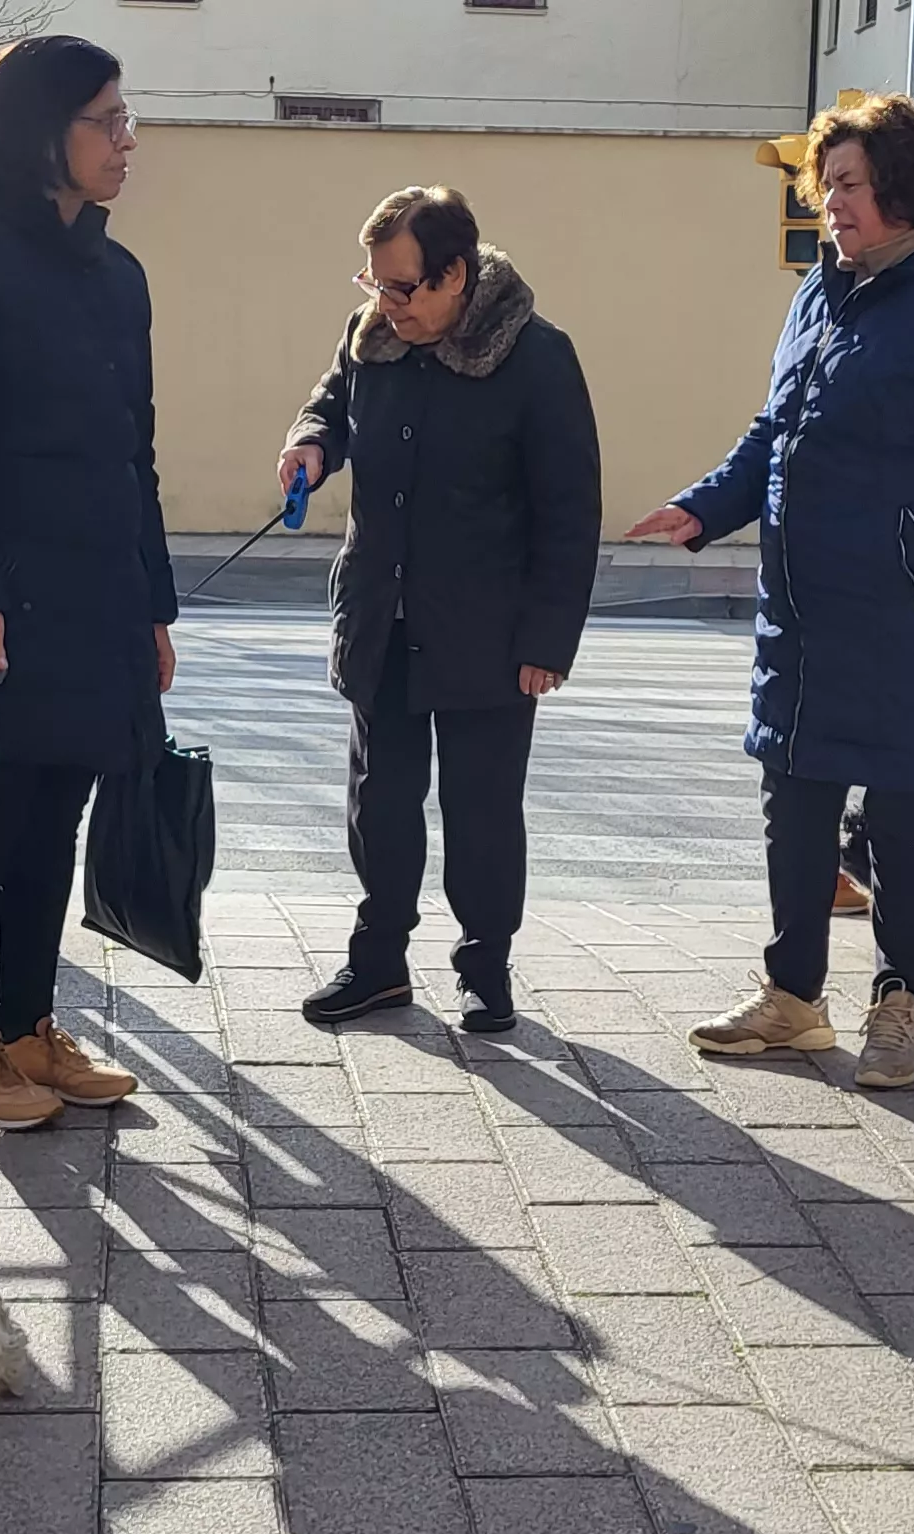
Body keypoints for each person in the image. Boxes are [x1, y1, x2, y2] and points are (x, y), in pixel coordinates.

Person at [629, 91, 914, 1089]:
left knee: (904, 818)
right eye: (825, 188)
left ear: (901, 186)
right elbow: (776, 431)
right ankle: (792, 998)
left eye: (847, 186)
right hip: (805, 611)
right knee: (794, 801)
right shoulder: (822, 289)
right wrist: (703, 508)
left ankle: (900, 1004)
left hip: (911, 613)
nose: (831, 206)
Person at [0, 34, 165, 1131]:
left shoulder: (115, 272)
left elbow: (134, 452)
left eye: (125, 116)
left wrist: (152, 601)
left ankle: (26, 1029)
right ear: (39, 131)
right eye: (104, 119)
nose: (125, 140)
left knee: (53, 820)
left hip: (95, 601)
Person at [277, 187, 600, 1035]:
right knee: (380, 800)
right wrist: (312, 442)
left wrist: (547, 639)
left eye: (403, 287)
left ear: (455, 276)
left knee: (481, 807)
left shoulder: (535, 356)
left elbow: (571, 511)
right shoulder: (373, 339)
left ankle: (484, 965)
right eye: (374, 284)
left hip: (487, 632)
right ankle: (379, 962)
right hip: (382, 614)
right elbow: (333, 403)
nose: (385, 304)